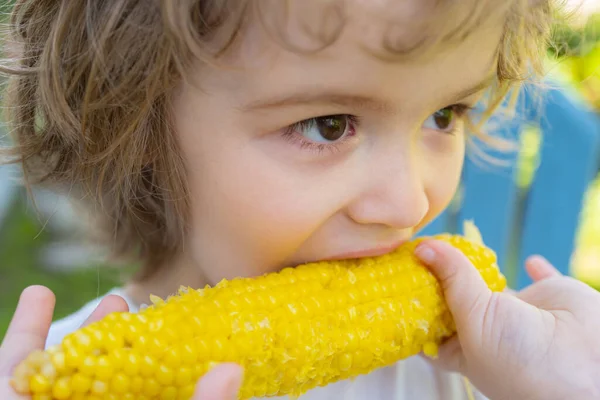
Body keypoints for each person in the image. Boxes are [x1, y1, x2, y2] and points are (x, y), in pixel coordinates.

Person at [1, 0, 598, 399]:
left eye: (445, 115)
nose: (410, 202)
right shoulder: (48, 381)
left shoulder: (460, 372)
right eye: (329, 126)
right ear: (132, 122)